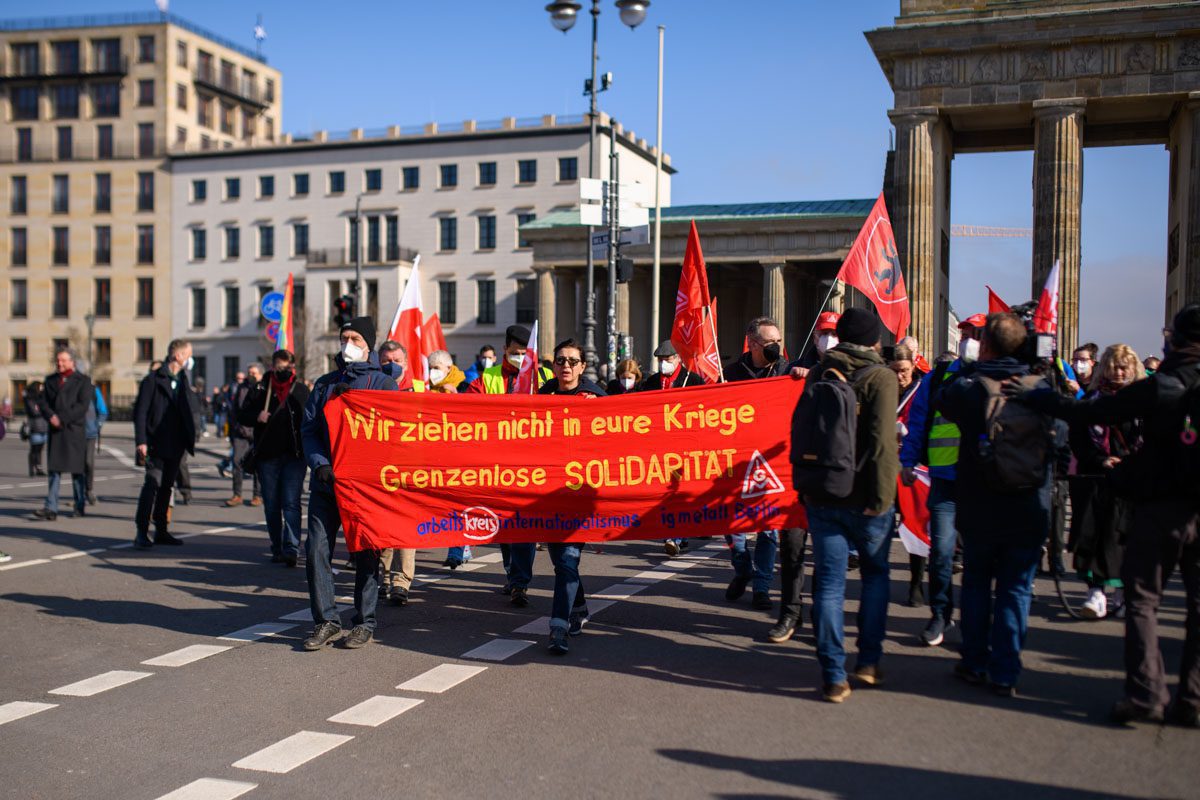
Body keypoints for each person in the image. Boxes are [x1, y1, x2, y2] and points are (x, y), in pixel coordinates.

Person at [1010, 305, 1200, 726]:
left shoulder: (1162, 384)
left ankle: (1146, 694)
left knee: (1143, 600)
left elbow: (1093, 411)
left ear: (1180, 340)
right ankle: (1194, 699)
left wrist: (1044, 398)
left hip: (1161, 505)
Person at [936, 312, 1054, 698]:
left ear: (984, 345)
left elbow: (943, 399)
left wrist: (967, 366)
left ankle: (974, 661)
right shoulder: (1040, 387)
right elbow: (1063, 438)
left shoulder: (973, 387)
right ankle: (1005, 671)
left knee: (975, 584)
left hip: (980, 503)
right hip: (1027, 504)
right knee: (1015, 590)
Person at [800, 309, 899, 703]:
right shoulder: (882, 377)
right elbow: (881, 444)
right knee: (875, 576)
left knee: (829, 584)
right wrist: (882, 498)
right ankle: (869, 662)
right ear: (875, 340)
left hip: (823, 493)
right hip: (865, 497)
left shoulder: (819, 373)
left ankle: (833, 676)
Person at [301, 316, 399, 651]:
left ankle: (365, 622)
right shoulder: (324, 384)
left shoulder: (384, 385)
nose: (348, 343)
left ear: (368, 344)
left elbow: (392, 434)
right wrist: (321, 465)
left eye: (356, 338)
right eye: (344, 337)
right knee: (316, 551)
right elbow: (310, 431)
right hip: (327, 485)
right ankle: (326, 620)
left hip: (364, 489)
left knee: (367, 555)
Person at [898, 313, 985, 647]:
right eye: (964, 333)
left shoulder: (996, 377)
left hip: (982, 482)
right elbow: (918, 423)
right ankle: (940, 613)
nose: (968, 340)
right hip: (944, 480)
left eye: (975, 334)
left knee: (977, 557)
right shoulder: (936, 379)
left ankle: (974, 622)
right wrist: (908, 461)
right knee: (942, 553)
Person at [464, 324, 552, 607]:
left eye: (525, 353)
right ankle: (511, 573)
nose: (521, 358)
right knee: (502, 525)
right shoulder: (487, 378)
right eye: (515, 353)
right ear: (504, 350)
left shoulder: (545, 375)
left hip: (531, 464)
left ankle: (519, 583)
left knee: (522, 525)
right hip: (496, 463)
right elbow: (466, 410)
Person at [1066, 344, 1145, 620]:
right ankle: (1095, 593)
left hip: (1130, 480)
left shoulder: (1143, 402)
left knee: (1123, 538)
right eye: (1115, 366)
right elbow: (1077, 438)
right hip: (1094, 476)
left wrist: (1131, 462)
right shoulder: (1091, 400)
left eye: (1125, 367)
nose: (1120, 372)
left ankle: (1122, 594)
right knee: (1091, 536)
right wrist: (1100, 459)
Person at [539, 338, 605, 654]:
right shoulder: (541, 397)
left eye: (571, 361)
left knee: (567, 559)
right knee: (560, 561)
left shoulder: (596, 397)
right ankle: (578, 607)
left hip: (580, 494)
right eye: (560, 360)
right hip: (548, 494)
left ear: (582, 366)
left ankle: (558, 628)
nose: (565, 365)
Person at [724, 317, 790, 612]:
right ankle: (742, 567)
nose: (776, 346)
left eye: (778, 340)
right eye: (769, 342)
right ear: (751, 344)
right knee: (732, 524)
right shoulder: (732, 374)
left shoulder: (787, 371)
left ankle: (762, 587)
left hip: (772, 463)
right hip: (738, 461)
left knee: (768, 530)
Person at [132, 340, 200, 548]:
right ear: (178, 356)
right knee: (152, 485)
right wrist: (142, 441)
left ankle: (161, 530)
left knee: (167, 488)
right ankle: (141, 532)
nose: (190, 360)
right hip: (156, 443)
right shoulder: (153, 380)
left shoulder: (183, 380)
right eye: (188, 355)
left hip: (176, 443)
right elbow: (141, 412)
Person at [248, 349, 310, 568]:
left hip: (294, 456)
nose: (283, 371)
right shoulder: (260, 388)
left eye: (287, 367)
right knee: (272, 505)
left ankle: (291, 547)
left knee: (291, 502)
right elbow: (242, 415)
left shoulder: (301, 390)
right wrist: (257, 416)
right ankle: (276, 546)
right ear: (272, 366)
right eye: (279, 366)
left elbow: (310, 420)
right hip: (268, 456)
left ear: (292, 367)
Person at [378, 340, 423, 604]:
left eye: (396, 360)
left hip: (410, 467)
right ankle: (384, 577)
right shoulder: (373, 387)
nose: (391, 365)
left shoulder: (419, 388)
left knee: (406, 528)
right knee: (383, 527)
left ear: (405, 362)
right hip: (381, 467)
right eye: (386, 360)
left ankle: (401, 582)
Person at [31, 349, 93, 522]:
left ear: (72, 362)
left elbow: (82, 406)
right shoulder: (50, 380)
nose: (60, 364)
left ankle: (79, 505)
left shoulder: (83, 381)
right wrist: (51, 416)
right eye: (58, 361)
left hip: (73, 431)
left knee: (77, 472)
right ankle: (51, 508)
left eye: (63, 361)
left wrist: (62, 418)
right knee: (54, 471)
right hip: (56, 431)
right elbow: (42, 402)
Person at [891, 344, 926, 607]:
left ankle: (916, 582)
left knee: (914, 524)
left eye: (903, 370)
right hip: (886, 464)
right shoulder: (884, 386)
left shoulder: (922, 389)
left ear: (913, 367)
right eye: (895, 370)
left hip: (912, 465)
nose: (899, 375)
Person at [226, 364, 263, 507]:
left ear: (260, 374)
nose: (251, 375)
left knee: (258, 465)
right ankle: (237, 494)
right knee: (237, 462)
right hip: (241, 432)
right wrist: (234, 426)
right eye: (249, 372)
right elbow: (235, 409)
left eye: (254, 372)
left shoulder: (263, 388)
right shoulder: (241, 388)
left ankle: (257, 495)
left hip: (257, 433)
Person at [637, 341, 704, 392]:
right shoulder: (651, 381)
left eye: (667, 359)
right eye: (660, 360)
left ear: (678, 358)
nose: (663, 363)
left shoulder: (693, 381)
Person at [790, 311, 840, 375]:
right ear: (815, 337)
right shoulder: (797, 366)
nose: (829, 339)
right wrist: (791, 377)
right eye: (824, 333)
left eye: (834, 334)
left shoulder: (849, 368)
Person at [83, 384, 109, 505]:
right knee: (76, 465)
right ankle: (79, 494)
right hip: (73, 434)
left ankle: (89, 489)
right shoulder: (69, 387)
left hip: (90, 433)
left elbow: (103, 411)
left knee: (88, 462)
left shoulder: (93, 390)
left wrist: (96, 425)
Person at [23, 381, 49, 477]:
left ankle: (39, 468)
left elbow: (45, 409)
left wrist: (43, 409)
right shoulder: (29, 399)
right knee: (34, 449)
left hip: (43, 426)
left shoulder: (42, 398)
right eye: (40, 387)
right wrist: (44, 410)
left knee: (40, 449)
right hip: (35, 427)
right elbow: (34, 412)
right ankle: (31, 469)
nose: (42, 389)